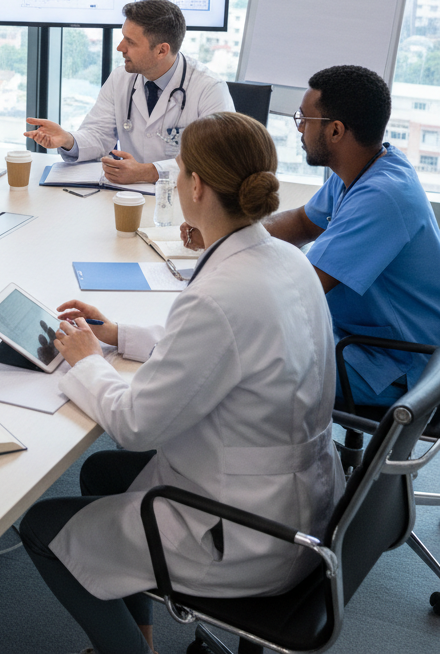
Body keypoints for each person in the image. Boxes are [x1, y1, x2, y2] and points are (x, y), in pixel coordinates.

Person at [20, 112, 342, 654]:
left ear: (194, 185)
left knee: (41, 529)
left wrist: (83, 359)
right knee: (102, 473)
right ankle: (138, 630)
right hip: (303, 505)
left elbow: (134, 424)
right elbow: (221, 348)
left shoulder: (218, 296)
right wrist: (117, 335)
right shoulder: (286, 259)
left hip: (243, 534)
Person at [224, 64, 437, 406]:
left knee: (242, 367)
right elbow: (300, 224)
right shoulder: (364, 167)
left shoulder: (383, 197)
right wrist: (229, 235)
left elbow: (301, 288)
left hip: (395, 362)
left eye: (304, 120)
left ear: (336, 131)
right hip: (356, 337)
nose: (299, 129)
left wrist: (222, 273)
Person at [24, 0, 233, 185]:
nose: (120, 47)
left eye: (130, 42)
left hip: (182, 202)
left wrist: (150, 172)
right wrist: (68, 140)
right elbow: (99, 135)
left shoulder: (209, 89)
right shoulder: (121, 78)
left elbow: (217, 161)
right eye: (123, 37)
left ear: (162, 50)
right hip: (127, 196)